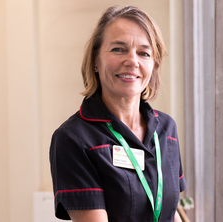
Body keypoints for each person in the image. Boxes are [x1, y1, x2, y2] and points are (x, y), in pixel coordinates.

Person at [49, 5, 187, 222]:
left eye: (144, 53)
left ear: (153, 65)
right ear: (95, 60)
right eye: (118, 49)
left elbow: (170, 211)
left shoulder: (167, 130)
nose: (132, 61)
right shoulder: (73, 139)